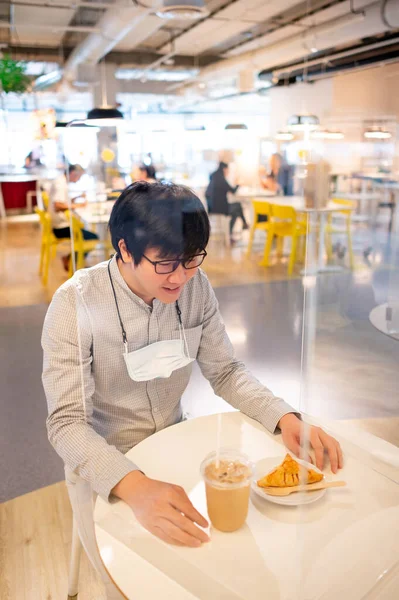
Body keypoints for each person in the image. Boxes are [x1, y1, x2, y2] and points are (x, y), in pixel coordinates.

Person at [42, 182, 342, 597]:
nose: (181, 276)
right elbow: (67, 425)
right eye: (165, 263)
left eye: (191, 259)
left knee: (218, 566)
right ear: (125, 250)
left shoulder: (194, 288)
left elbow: (225, 371)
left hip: (173, 442)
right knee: (130, 582)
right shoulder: (75, 304)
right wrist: (134, 485)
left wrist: (283, 417)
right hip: (104, 464)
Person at [48, 164, 98, 271]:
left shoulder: (61, 181)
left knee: (87, 233)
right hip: (60, 227)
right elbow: (57, 205)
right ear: (72, 174)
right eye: (79, 177)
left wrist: (77, 198)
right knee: (93, 237)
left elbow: (63, 202)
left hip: (59, 224)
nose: (79, 180)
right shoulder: (61, 185)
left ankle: (71, 259)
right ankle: (71, 261)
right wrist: (77, 205)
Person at [206, 162, 248, 239]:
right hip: (220, 208)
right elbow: (233, 191)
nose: (228, 172)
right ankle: (242, 225)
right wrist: (238, 184)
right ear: (224, 169)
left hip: (212, 207)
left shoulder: (214, 177)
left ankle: (232, 232)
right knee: (238, 206)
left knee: (236, 211)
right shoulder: (221, 179)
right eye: (227, 170)